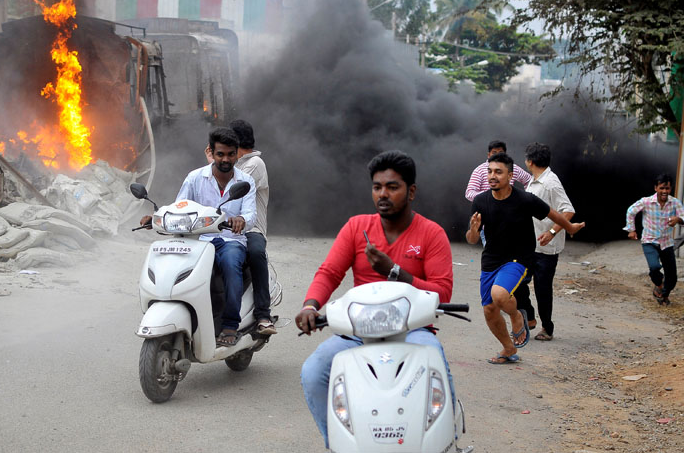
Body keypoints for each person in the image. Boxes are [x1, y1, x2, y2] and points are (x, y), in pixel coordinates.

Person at [297, 150, 455, 447]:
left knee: (436, 370)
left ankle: (448, 441)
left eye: (392, 187)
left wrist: (394, 271)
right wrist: (310, 305)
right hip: (359, 332)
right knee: (314, 371)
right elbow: (330, 272)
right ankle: (339, 444)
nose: (383, 194)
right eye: (377, 187)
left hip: (413, 331)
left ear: (411, 192)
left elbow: (441, 293)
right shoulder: (357, 227)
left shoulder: (432, 234)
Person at [465, 152, 584, 364]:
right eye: (490, 171)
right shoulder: (481, 201)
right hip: (491, 260)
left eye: (498, 172)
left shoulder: (525, 199)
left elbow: (554, 214)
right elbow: (472, 240)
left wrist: (570, 226)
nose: (492, 176)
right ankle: (508, 348)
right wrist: (473, 231)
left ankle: (517, 316)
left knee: (500, 296)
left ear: (510, 176)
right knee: (489, 310)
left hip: (518, 258)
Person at [145, 127, 256, 347]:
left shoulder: (246, 181)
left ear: (237, 154)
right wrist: (155, 217)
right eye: (220, 154)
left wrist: (240, 220)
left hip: (229, 240)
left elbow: (251, 214)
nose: (225, 159)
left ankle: (230, 325)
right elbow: (179, 206)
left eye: (230, 154)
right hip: (198, 240)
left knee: (232, 265)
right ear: (211, 153)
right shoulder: (195, 178)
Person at [513, 143, 576, 341]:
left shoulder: (550, 182)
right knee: (518, 283)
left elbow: (569, 210)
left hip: (546, 248)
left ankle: (547, 328)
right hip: (529, 245)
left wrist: (551, 231)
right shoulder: (534, 181)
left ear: (530, 161)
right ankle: (529, 317)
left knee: (542, 289)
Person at [227, 119, 276, 335]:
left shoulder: (254, 164)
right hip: (224, 228)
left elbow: (228, 188)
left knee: (256, 253)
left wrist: (210, 162)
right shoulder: (232, 164)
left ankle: (263, 315)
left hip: (251, 228)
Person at [624, 173, 684, 306]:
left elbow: (683, 216)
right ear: (656, 188)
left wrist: (678, 219)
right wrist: (631, 229)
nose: (664, 191)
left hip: (667, 242)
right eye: (662, 188)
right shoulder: (646, 201)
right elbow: (631, 211)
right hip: (649, 241)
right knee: (654, 266)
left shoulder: (675, 203)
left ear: (670, 189)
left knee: (672, 277)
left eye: (667, 188)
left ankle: (663, 294)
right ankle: (660, 285)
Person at [465, 140, 532, 202]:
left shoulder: (513, 168)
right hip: (487, 210)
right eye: (494, 153)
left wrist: (524, 198)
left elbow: (529, 181)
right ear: (488, 155)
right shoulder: (480, 170)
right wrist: (489, 196)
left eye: (501, 153)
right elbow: (469, 193)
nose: (497, 155)